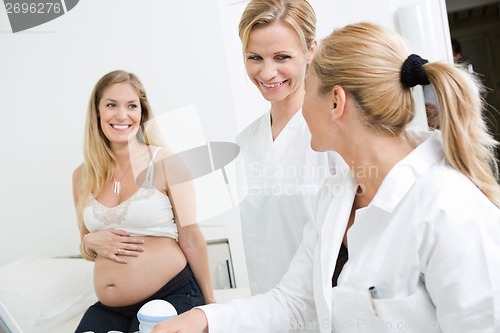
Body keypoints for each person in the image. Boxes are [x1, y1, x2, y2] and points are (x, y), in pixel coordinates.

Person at [152, 22, 500, 333]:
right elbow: (292, 303)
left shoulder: (450, 207)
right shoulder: (336, 196)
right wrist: (204, 319)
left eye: (308, 89)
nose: (300, 105)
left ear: (336, 102)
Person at [72, 70, 215, 333]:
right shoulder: (82, 176)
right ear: (97, 112)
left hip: (171, 294)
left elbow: (191, 237)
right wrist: (89, 242)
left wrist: (210, 307)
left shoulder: (166, 162)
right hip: (110, 309)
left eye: (131, 106)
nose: (122, 115)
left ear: (142, 112)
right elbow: (87, 245)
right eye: (111, 105)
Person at [236, 0, 333, 296]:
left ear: (310, 50)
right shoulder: (245, 143)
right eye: (255, 57)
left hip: (328, 311)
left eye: (281, 57)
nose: (267, 73)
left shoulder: (333, 135)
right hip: (266, 311)